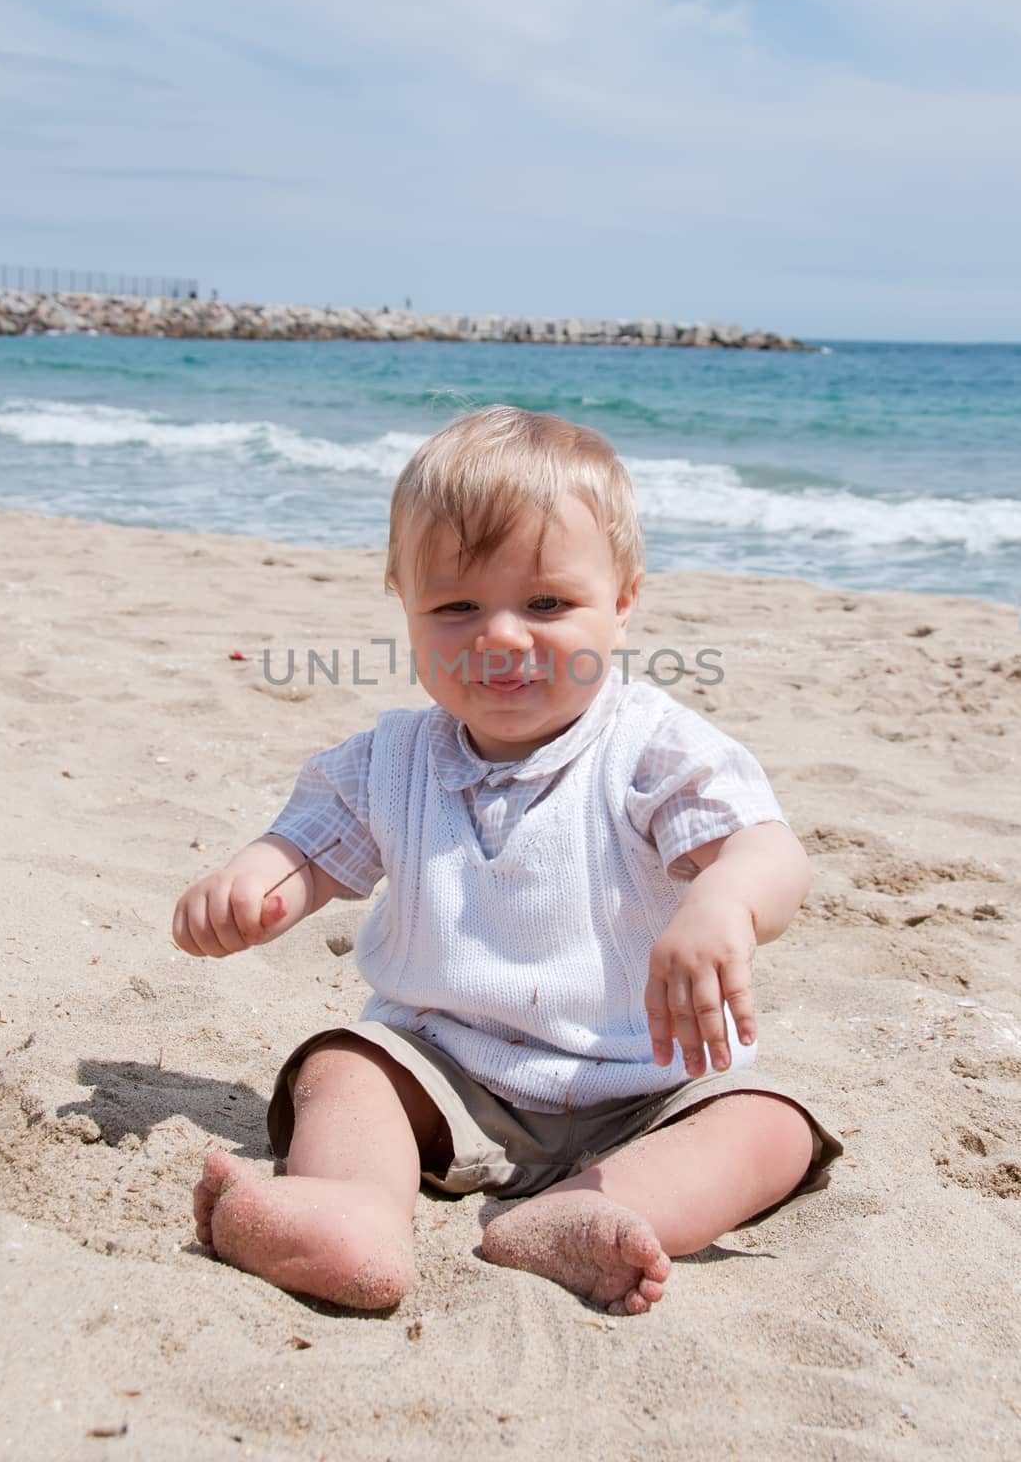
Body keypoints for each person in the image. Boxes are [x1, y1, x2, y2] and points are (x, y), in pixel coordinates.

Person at [172, 406, 842, 1315]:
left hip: (643, 1088)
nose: (500, 636)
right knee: (343, 1067)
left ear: (624, 601)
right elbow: (306, 853)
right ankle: (355, 1214)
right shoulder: (390, 759)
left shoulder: (651, 748)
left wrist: (723, 901)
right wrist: (256, 883)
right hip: (446, 1071)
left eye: (546, 604)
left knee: (772, 1128)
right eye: (455, 607)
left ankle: (577, 1214)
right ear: (404, 605)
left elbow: (767, 851)